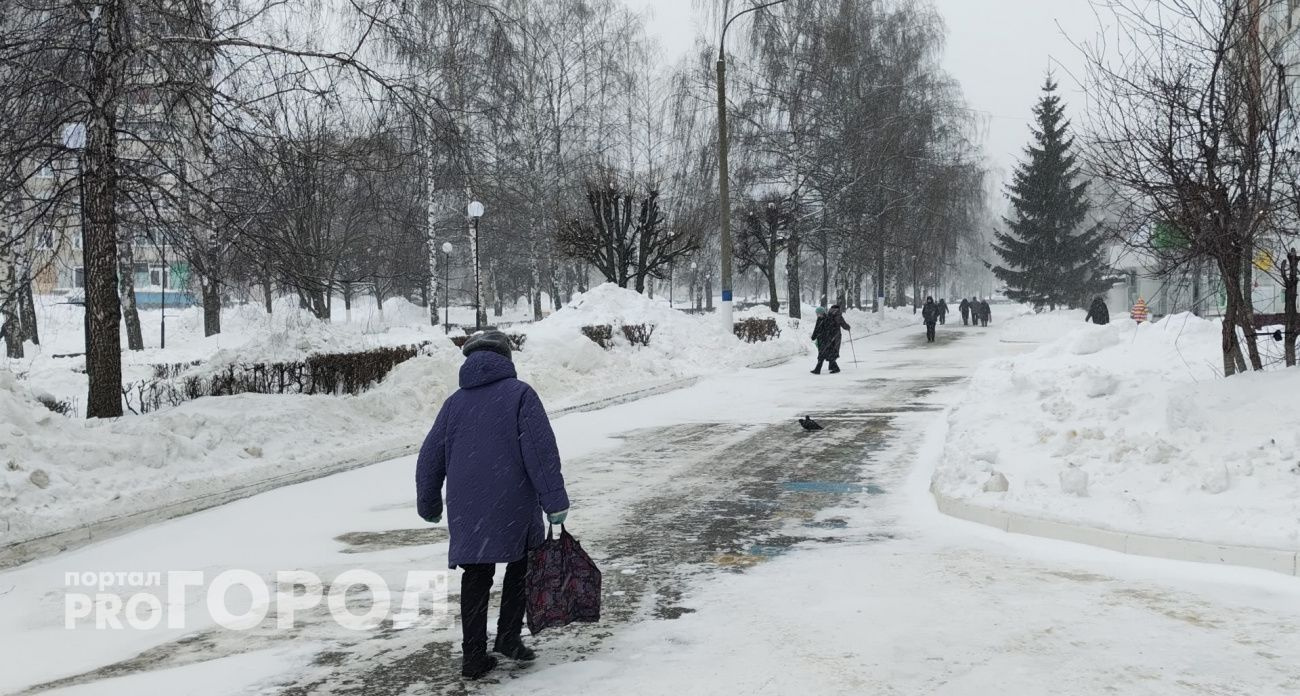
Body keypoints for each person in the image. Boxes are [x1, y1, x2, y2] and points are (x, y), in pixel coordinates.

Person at [416, 331, 571, 680]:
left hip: (466, 504)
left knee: (476, 573)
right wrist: (555, 502)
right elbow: (540, 452)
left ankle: (473, 656)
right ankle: (508, 638)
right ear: (505, 358)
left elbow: (429, 456)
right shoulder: (520, 395)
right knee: (521, 563)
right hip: (512, 498)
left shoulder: (454, 403)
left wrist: (428, 502)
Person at [811, 304, 850, 374]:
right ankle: (832, 367)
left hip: (826, 340)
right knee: (828, 354)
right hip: (827, 338)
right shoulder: (829, 317)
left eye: (818, 313)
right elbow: (817, 329)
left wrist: (828, 338)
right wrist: (814, 336)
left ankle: (819, 369)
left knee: (824, 354)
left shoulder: (828, 317)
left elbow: (826, 329)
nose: (817, 315)